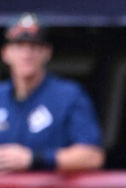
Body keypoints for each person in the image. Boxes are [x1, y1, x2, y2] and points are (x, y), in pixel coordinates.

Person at [0, 12, 103, 173]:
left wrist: (34, 159)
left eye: (34, 46)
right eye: (19, 45)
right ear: (5, 53)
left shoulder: (68, 95)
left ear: (47, 52)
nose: (27, 54)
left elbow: (93, 156)